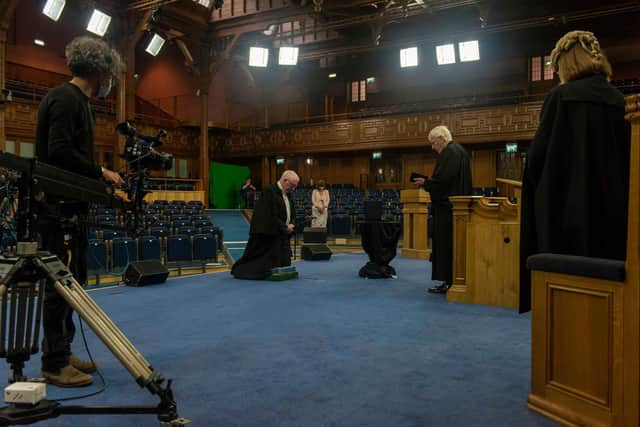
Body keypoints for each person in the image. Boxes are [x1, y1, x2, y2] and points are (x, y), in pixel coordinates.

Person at [35, 36, 125, 387]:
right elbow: (57, 152)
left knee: (73, 284)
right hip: (56, 209)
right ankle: (54, 363)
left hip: (70, 207)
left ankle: (62, 349)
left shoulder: (79, 102)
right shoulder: (64, 99)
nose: (110, 80)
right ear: (101, 70)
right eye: (109, 73)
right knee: (60, 286)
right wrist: (100, 172)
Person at [519, 30, 629, 313]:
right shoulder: (620, 100)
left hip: (568, 217)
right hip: (616, 216)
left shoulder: (561, 97)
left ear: (566, 64)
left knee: (569, 292)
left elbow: (537, 160)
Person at [413, 125, 472, 294]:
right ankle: (454, 279)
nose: (433, 147)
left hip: (447, 209)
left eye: (433, 143)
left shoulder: (449, 152)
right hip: (457, 207)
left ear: (442, 139)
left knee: (447, 245)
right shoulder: (461, 151)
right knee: (454, 245)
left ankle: (449, 280)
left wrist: (426, 183)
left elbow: (444, 182)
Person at [231, 170, 300, 279]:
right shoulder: (269, 191)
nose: (293, 189)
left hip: (282, 235)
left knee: (285, 265)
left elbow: (291, 213)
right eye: (292, 186)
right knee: (262, 268)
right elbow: (270, 216)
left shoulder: (288, 193)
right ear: (285, 181)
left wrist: (292, 224)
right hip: (268, 235)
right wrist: (285, 227)